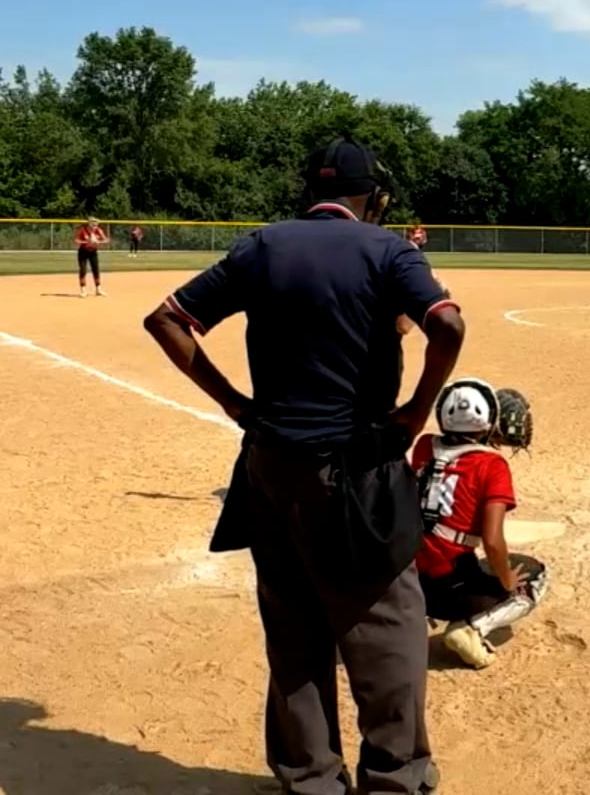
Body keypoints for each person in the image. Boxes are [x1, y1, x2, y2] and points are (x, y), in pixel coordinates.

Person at [143, 137, 464, 795]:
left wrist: (235, 404)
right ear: (372, 197)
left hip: (271, 465)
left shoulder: (263, 246)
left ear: (311, 191)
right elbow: (449, 326)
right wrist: (415, 410)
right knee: (388, 627)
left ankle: (310, 779)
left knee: (294, 632)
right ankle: (395, 779)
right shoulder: (388, 249)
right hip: (356, 467)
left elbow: (167, 320)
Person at [412, 380, 548, 670]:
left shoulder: (425, 445)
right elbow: (493, 541)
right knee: (533, 577)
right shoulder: (491, 466)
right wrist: (507, 580)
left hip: (409, 582)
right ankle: (470, 629)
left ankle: (412, 619)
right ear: (489, 421)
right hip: (449, 589)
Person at [74, 216, 108, 296]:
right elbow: (76, 240)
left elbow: (106, 240)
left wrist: (99, 242)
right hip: (83, 252)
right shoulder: (83, 230)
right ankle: (83, 290)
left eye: (96, 224)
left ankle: (98, 290)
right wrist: (87, 241)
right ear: (89, 224)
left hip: (93, 252)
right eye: (93, 224)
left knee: (96, 269)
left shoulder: (99, 230)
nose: (94, 226)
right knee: (83, 270)